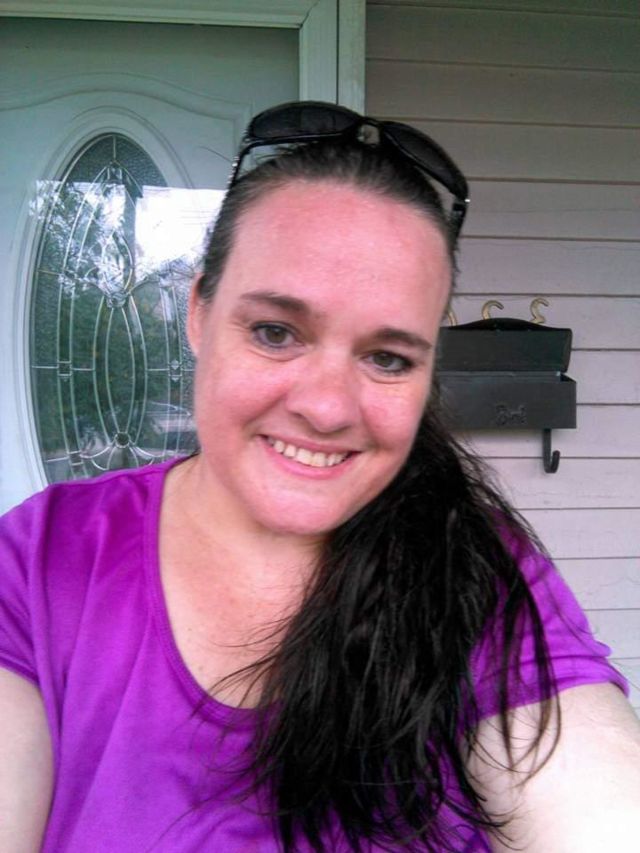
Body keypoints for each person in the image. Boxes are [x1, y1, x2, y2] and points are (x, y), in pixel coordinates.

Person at [1, 101, 639, 853]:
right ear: (199, 312)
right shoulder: (44, 558)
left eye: (388, 358)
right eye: (276, 332)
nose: (328, 407)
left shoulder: (478, 566)